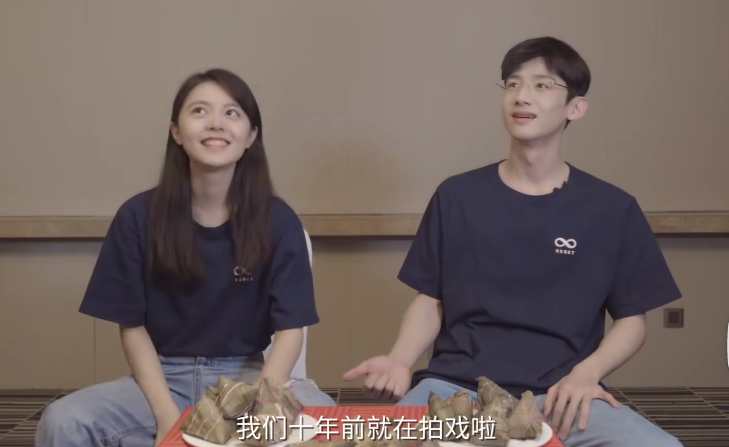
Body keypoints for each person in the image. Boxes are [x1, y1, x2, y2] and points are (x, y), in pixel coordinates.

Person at [343, 37, 684, 447]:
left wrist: (587, 373)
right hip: (456, 390)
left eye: (542, 85)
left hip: (561, 394)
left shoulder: (612, 208)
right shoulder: (457, 196)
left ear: (576, 107)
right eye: (513, 84)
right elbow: (431, 299)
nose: (522, 95)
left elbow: (632, 321)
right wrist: (400, 359)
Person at [36, 68, 336, 447]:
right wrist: (167, 419)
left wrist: (264, 404)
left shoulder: (278, 220)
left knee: (326, 420)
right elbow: (132, 328)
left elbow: (291, 330)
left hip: (248, 377)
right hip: (161, 381)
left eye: (231, 113)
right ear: (176, 132)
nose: (216, 123)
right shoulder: (137, 217)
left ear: (250, 136)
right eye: (199, 111)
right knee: (65, 420)